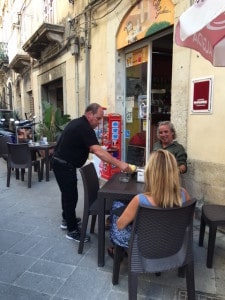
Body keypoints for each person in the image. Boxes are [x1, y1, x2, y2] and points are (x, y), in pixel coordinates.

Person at [52, 103, 132, 243]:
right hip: (64, 165)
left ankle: (67, 219)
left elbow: (81, 144)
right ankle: (72, 230)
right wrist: (120, 164)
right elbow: (98, 151)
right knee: (70, 196)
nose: (99, 121)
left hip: (60, 162)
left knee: (68, 194)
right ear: (89, 115)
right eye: (98, 118)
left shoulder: (79, 123)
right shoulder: (84, 127)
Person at [108, 149, 190, 258]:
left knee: (116, 206)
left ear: (151, 172)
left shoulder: (140, 200)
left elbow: (120, 225)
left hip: (144, 245)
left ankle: (121, 251)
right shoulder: (184, 194)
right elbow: (190, 218)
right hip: (173, 241)